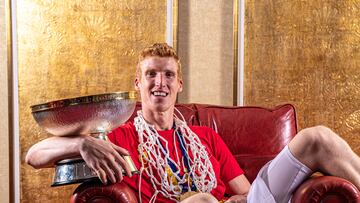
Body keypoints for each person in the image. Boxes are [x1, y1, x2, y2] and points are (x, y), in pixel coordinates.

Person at [26, 43, 360, 203]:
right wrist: (82, 143)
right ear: (138, 83)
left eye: (168, 74)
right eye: (151, 74)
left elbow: (245, 193)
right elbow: (35, 155)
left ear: (179, 85)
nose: (160, 81)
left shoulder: (205, 137)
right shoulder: (119, 137)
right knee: (201, 201)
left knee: (319, 138)